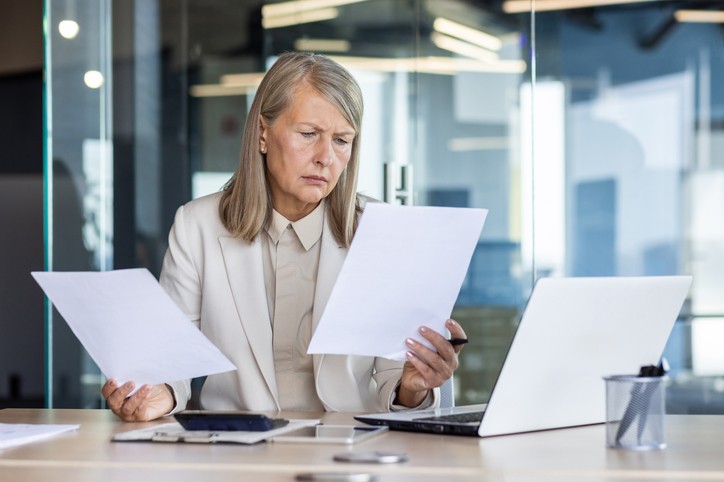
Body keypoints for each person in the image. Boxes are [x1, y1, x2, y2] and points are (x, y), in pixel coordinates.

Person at [101, 52, 467, 422]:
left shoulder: (380, 231)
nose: (325, 157)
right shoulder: (197, 225)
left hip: (349, 450)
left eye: (342, 140)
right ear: (263, 133)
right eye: (308, 135)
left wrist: (414, 386)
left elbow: (394, 380)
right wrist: (156, 394)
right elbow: (170, 359)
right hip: (236, 449)